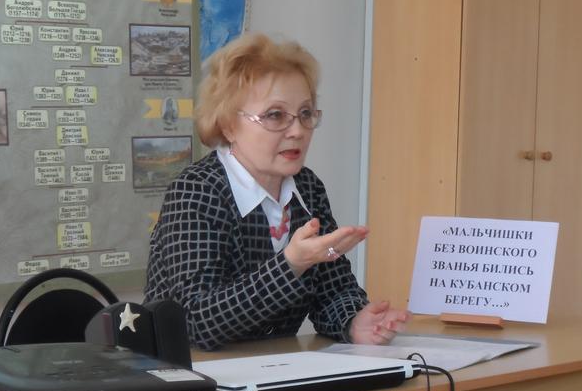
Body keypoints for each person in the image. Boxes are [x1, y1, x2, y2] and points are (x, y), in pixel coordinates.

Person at [144, 32, 410, 350]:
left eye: (305, 113)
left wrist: (354, 321)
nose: (297, 131)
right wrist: (291, 264)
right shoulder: (195, 193)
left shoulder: (308, 188)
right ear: (228, 125)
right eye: (275, 115)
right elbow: (199, 323)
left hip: (272, 367)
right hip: (188, 372)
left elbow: (332, 291)